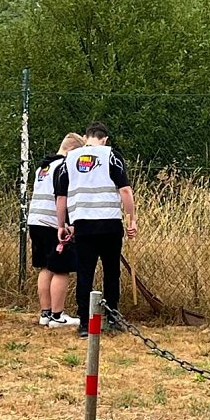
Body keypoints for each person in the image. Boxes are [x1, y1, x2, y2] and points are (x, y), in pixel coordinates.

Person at [54, 122, 138, 338]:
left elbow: (61, 197)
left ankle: (84, 322)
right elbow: (126, 191)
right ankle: (112, 317)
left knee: (85, 273)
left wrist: (61, 225)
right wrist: (131, 220)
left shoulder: (70, 159)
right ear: (105, 139)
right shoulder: (111, 156)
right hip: (109, 224)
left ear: (86, 137)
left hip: (83, 225)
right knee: (111, 272)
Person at [27, 132, 85, 328]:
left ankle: (45, 313)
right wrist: (67, 223)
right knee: (61, 269)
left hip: (36, 221)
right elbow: (63, 198)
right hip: (54, 224)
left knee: (45, 267)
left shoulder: (43, 167)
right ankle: (58, 315)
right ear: (73, 151)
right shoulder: (64, 167)